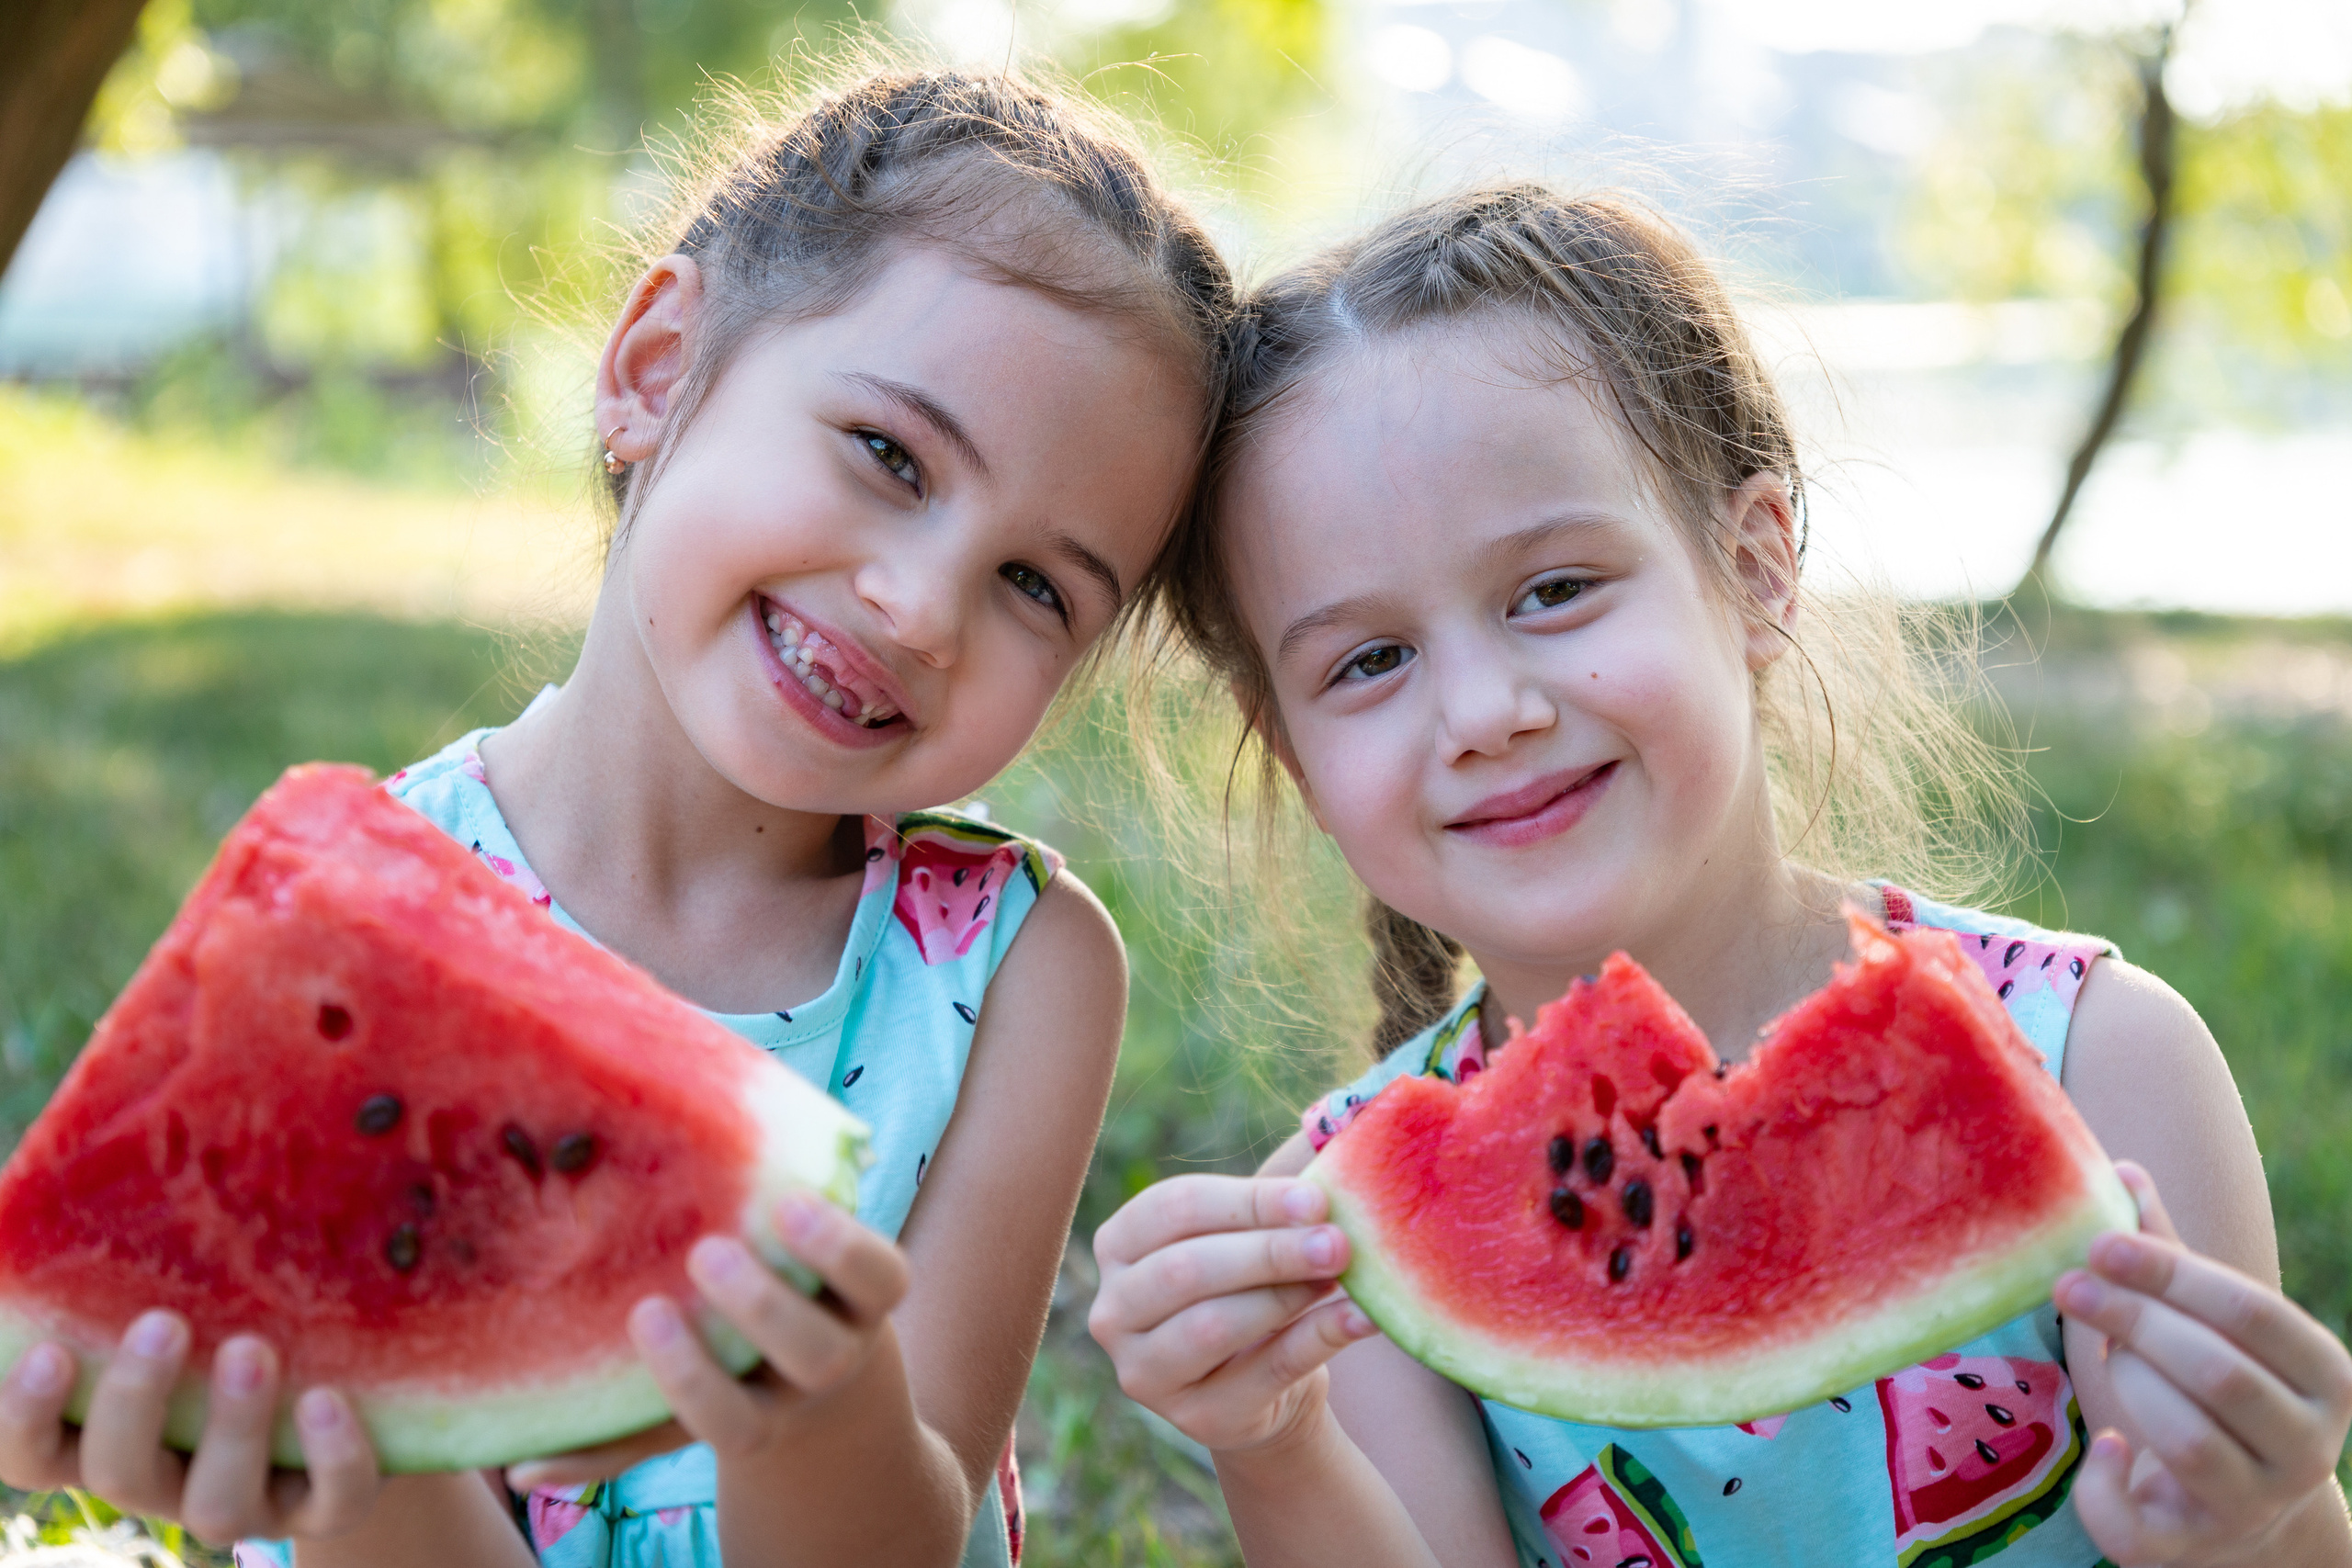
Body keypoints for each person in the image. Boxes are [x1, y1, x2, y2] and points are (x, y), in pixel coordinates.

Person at [0, 65, 1232, 1568]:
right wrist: (319, 1446)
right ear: (656, 367)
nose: (920, 610)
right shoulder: (362, 913)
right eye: (888, 457)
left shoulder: (1016, 970)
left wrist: (809, 1399)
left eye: (1038, 586)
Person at [1087, 184, 2352, 1567]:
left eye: (1554, 590)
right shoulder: (1339, 1227)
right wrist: (1272, 1443)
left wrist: (2257, 1517)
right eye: (1369, 661)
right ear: (1294, 756)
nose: (1482, 710)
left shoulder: (2101, 1064)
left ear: (1754, 572)